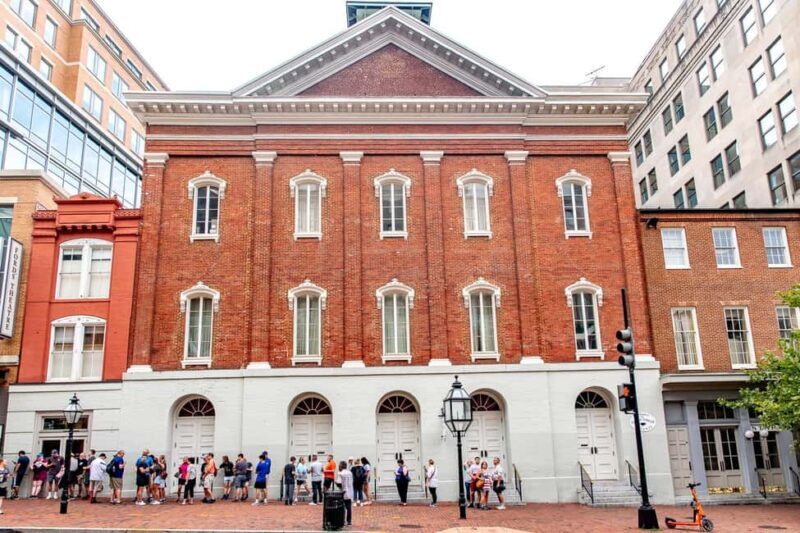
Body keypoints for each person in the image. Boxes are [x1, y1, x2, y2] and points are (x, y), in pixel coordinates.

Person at [338, 460, 354, 527]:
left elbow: (339, 483)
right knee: (349, 507)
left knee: (342, 507)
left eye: (339, 465)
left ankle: (343, 520)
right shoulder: (350, 473)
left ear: (341, 466)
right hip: (350, 492)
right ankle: (349, 521)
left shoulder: (340, 473)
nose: (338, 466)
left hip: (343, 492)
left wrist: (337, 484)